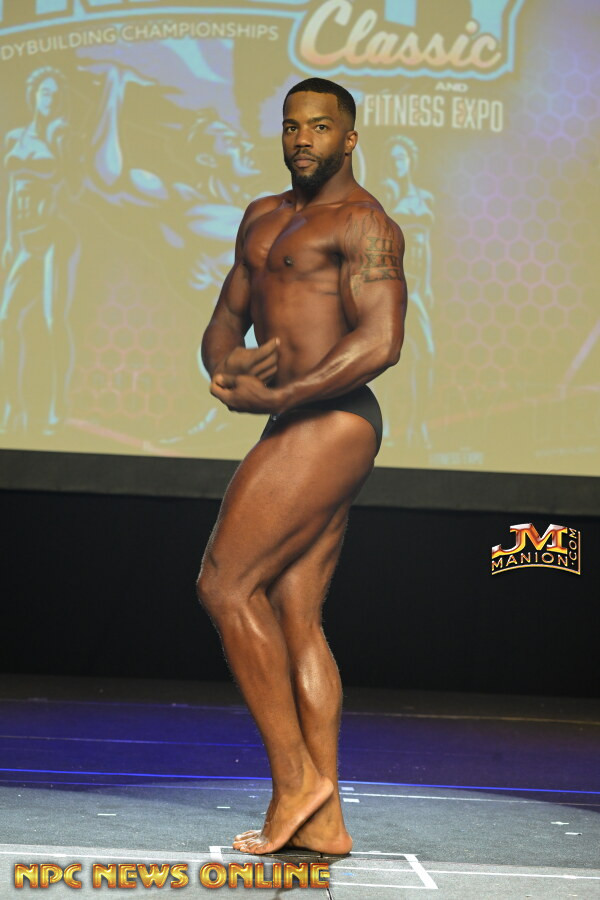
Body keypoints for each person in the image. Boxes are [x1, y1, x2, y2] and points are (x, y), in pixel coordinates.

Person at [197, 77, 406, 856]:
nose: (302, 140)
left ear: (348, 138)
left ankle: (295, 782)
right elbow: (226, 319)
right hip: (297, 419)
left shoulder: (364, 223)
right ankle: (324, 821)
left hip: (334, 420)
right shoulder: (262, 217)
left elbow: (381, 341)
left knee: (224, 585)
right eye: (292, 126)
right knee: (295, 613)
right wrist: (227, 369)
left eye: (320, 127)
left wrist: (283, 393)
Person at [1, 66, 80, 436]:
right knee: (6, 319)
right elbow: (10, 192)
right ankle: (12, 405)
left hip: (54, 235)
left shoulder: (62, 135)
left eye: (55, 94)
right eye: (44, 92)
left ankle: (55, 408)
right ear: (33, 95)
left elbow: (74, 187)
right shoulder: (15, 137)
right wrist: (8, 240)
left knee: (52, 320)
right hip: (24, 237)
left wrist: (60, 148)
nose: (49, 99)